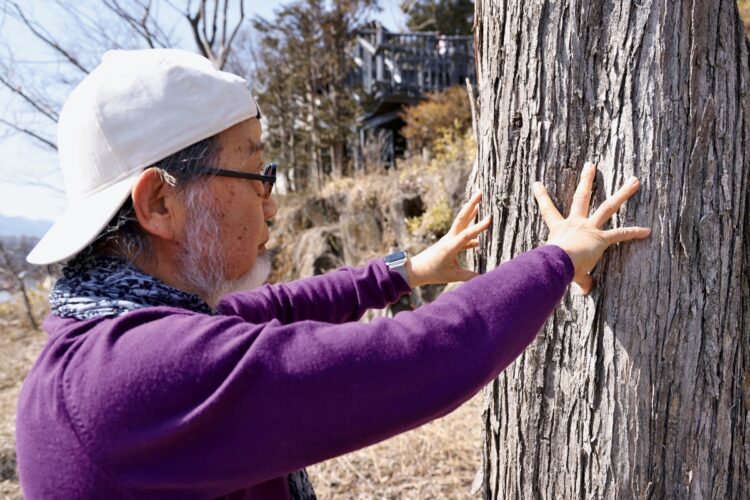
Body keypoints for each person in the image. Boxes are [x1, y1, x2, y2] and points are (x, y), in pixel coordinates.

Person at [16, 49, 650, 499]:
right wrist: (558, 257)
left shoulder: (105, 333)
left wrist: (405, 271)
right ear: (159, 203)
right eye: (256, 172)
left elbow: (280, 309)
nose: (271, 200)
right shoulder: (137, 376)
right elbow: (419, 359)